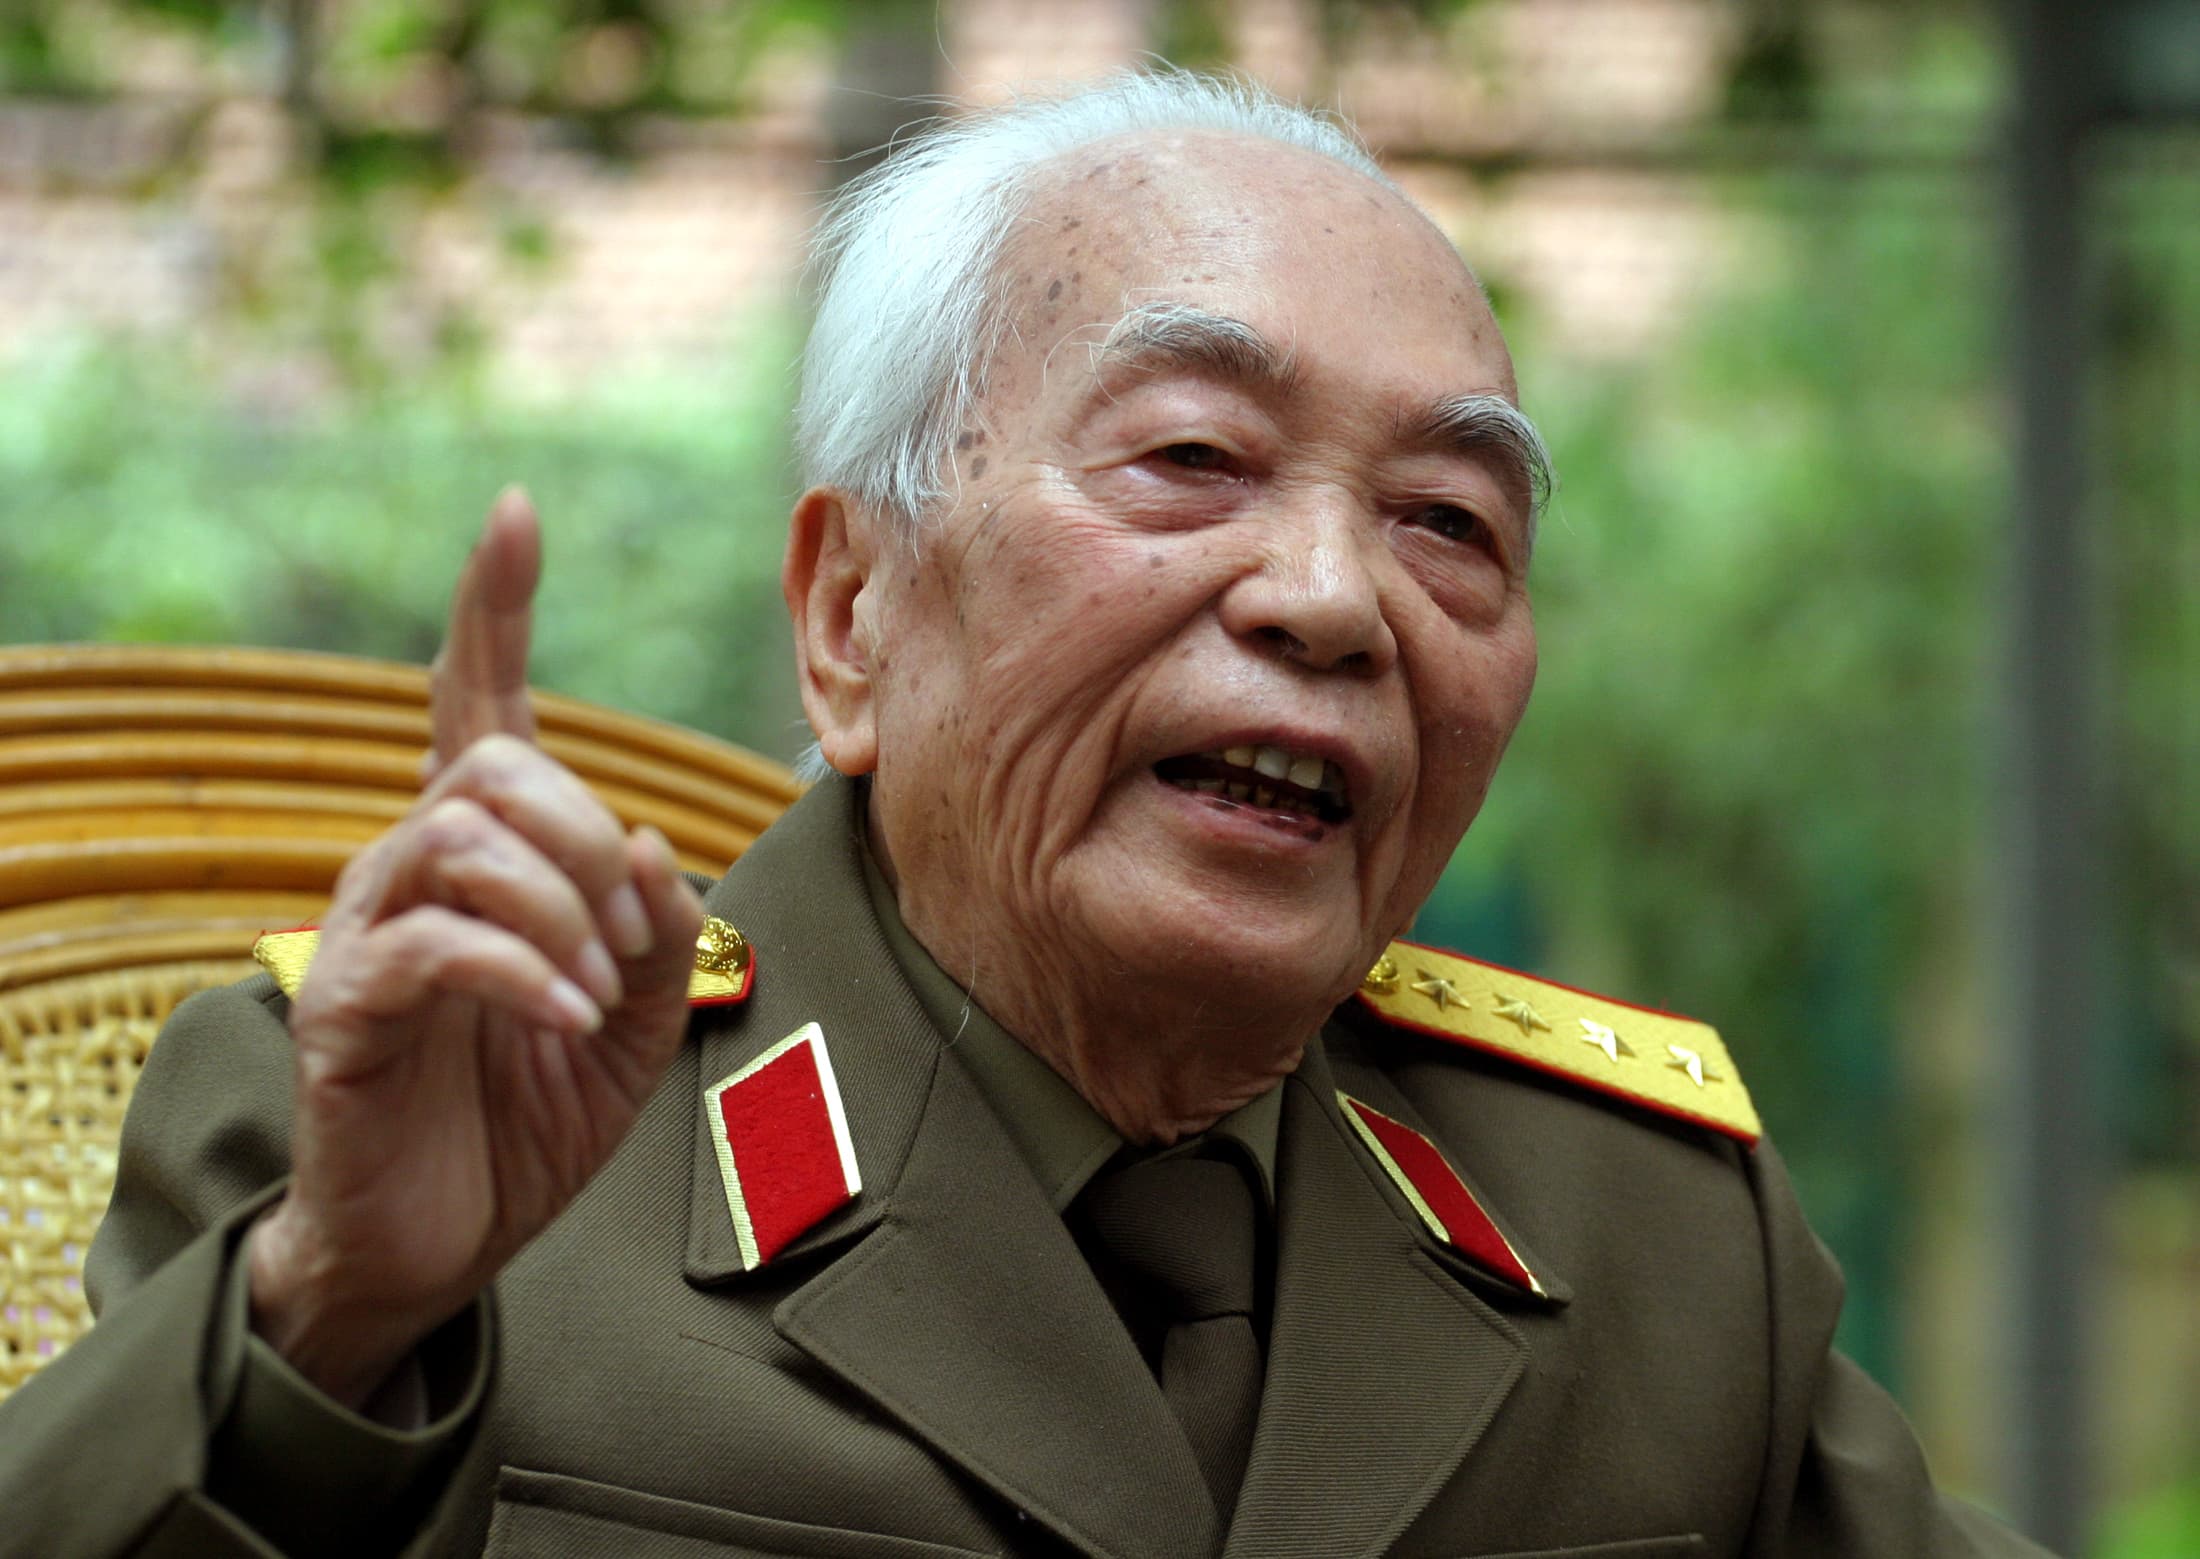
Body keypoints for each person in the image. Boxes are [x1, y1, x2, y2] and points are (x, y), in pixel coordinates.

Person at [0, 72, 2052, 1558]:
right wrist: (328, 1316)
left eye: (1446, 522)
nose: (1331, 601)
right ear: (851, 613)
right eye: (1188, 459)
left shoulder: (1646, 1237)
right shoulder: (431, 1149)